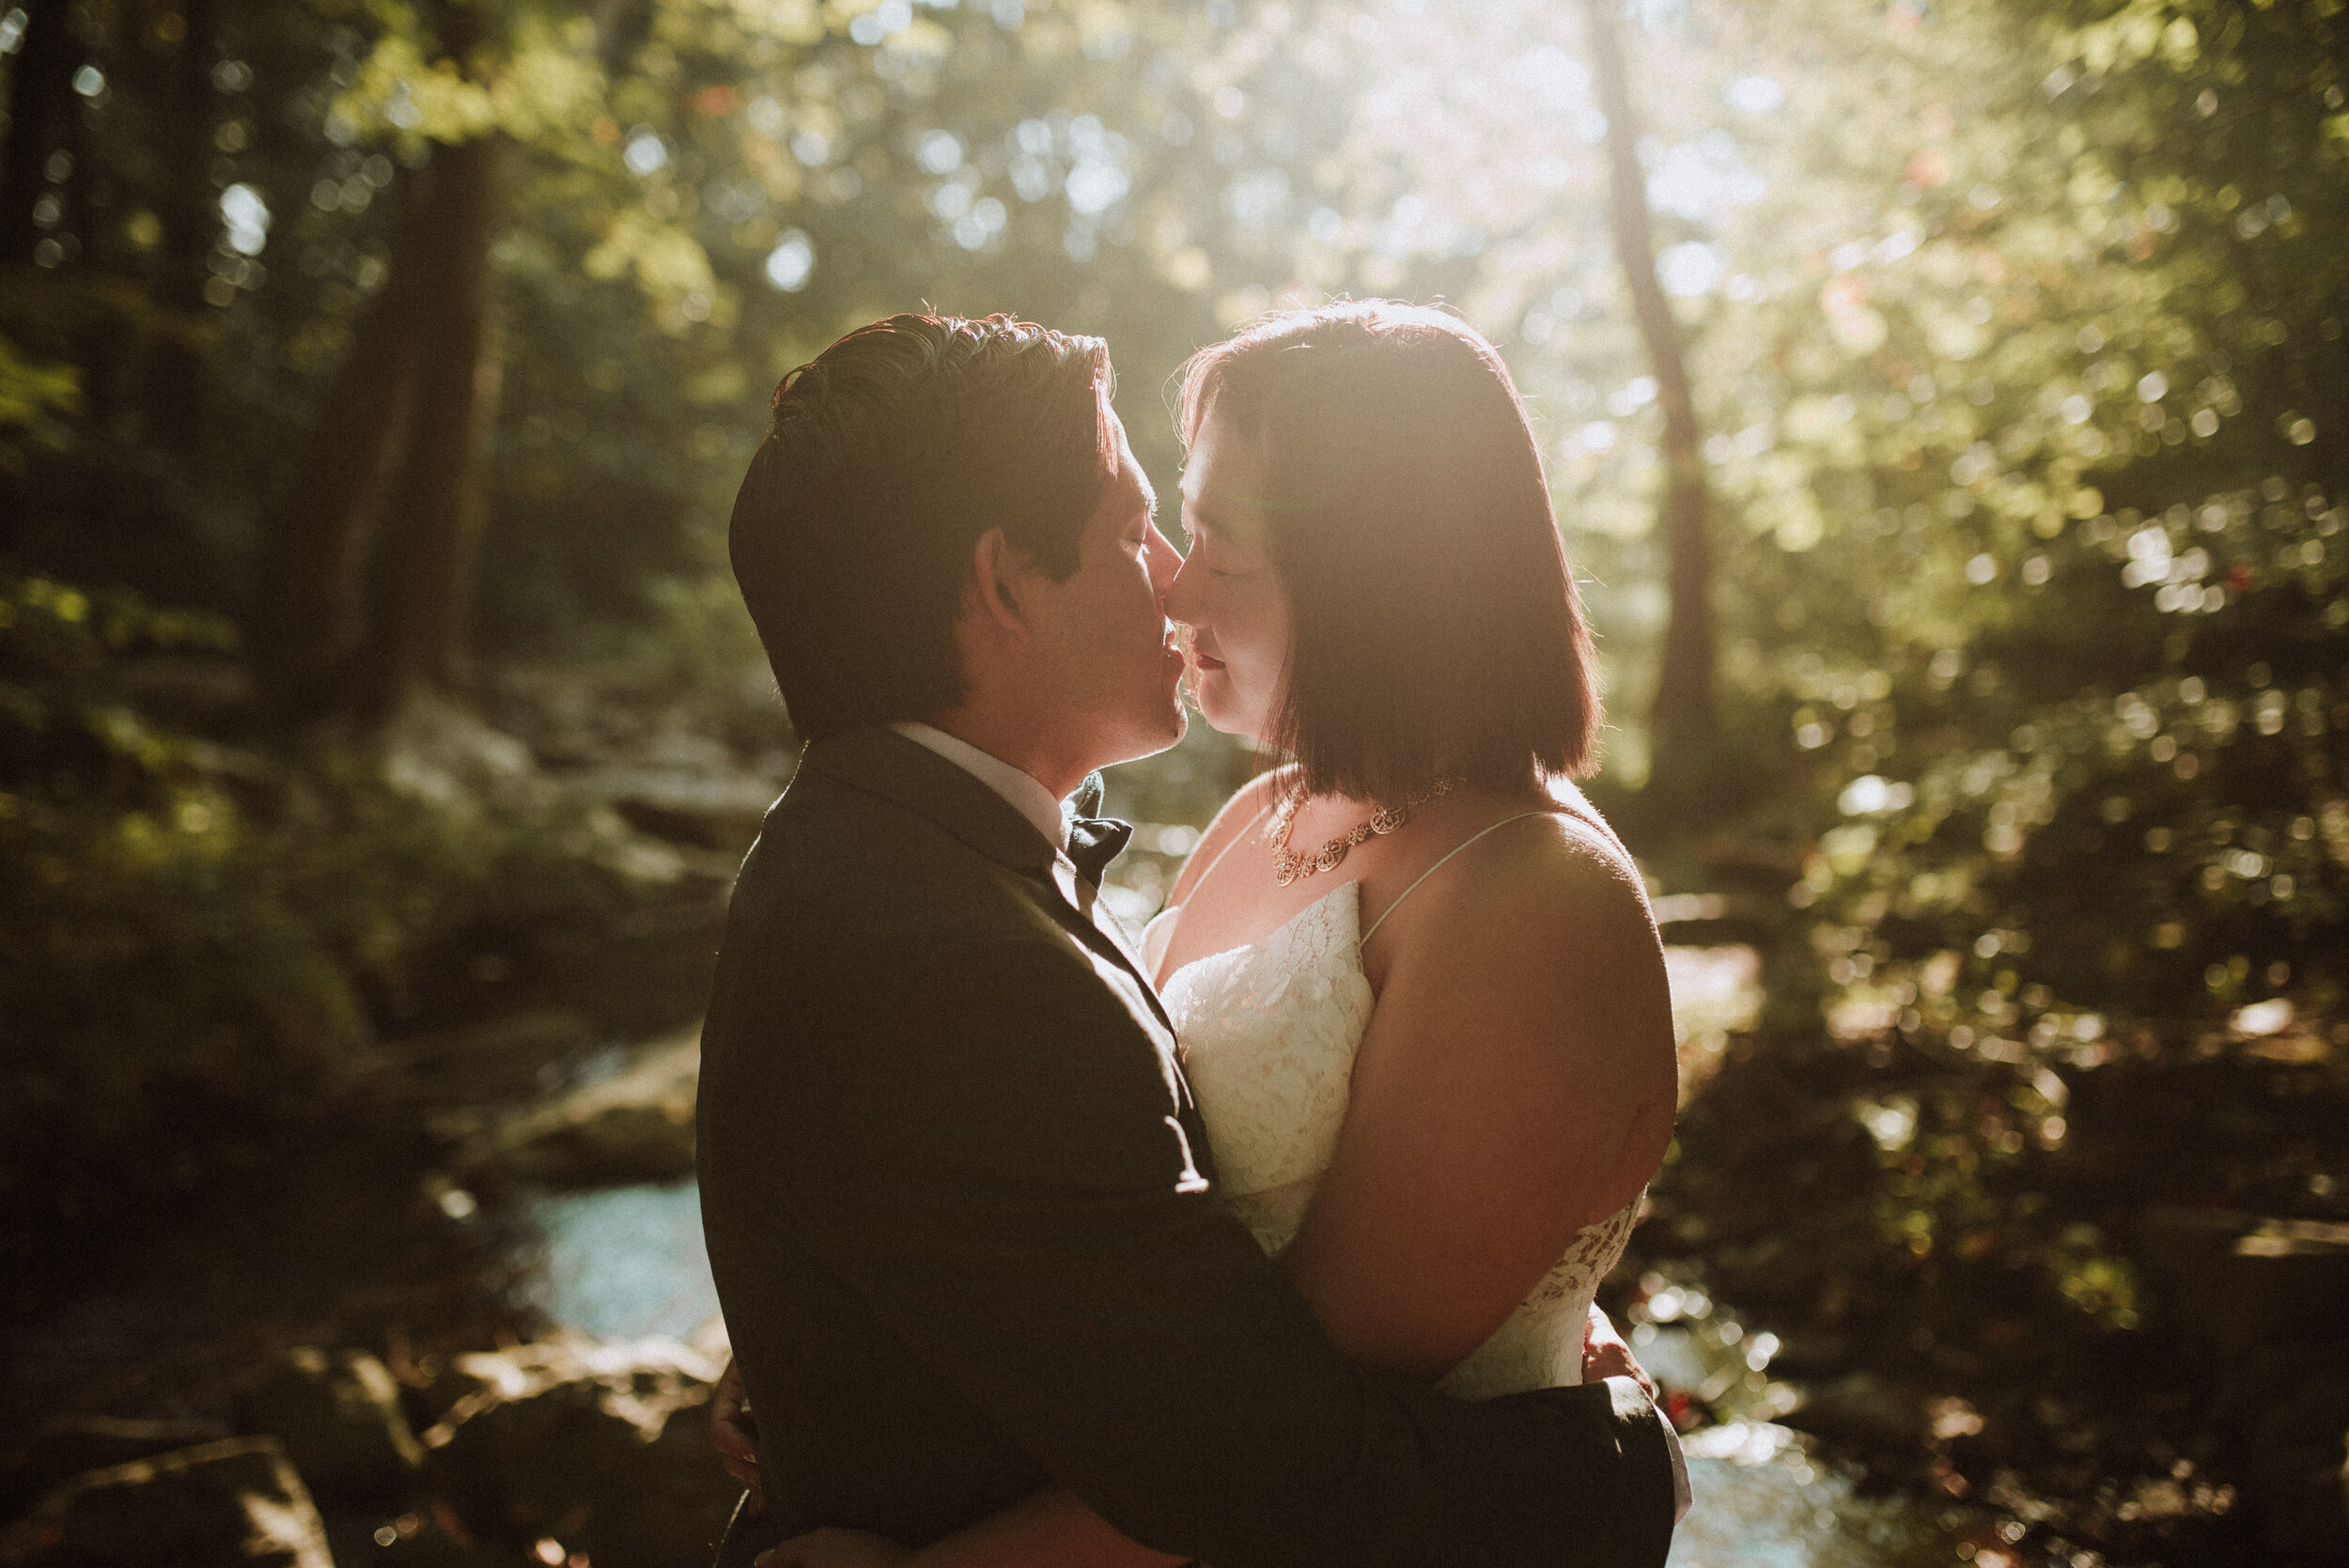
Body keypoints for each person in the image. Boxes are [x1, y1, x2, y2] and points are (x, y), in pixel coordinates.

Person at [696, 309, 1678, 1568]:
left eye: (1212, 535)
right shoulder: (1253, 818)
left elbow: (1275, 1450)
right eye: (1152, 527)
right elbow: (1239, 1421)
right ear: (1005, 581)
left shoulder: (1531, 895)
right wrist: (837, 1321)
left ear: (1370, 565)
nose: (1171, 575)